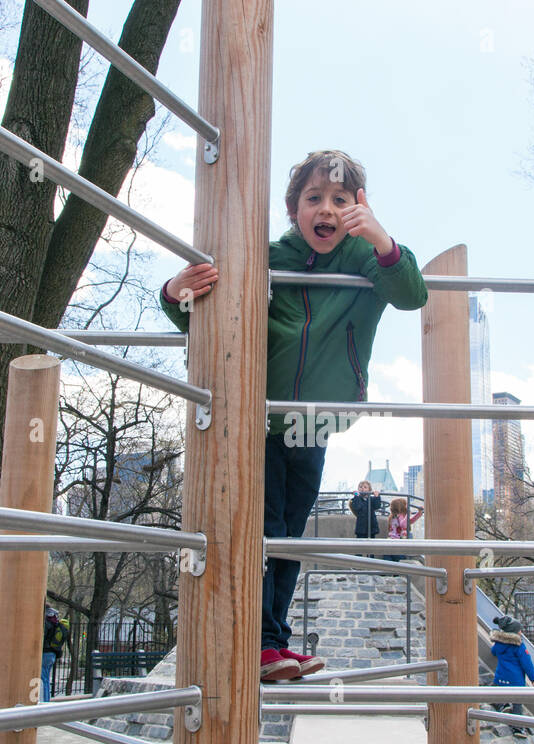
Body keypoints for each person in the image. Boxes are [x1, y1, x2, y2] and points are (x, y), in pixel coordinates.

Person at [160, 149, 428, 682]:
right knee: (266, 527)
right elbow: (199, 307)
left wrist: (379, 237)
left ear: (357, 207)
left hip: (316, 422)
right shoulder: (263, 256)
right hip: (257, 416)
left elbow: (412, 294)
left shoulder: (364, 258)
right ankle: (259, 643)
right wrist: (173, 293)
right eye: (314, 198)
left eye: (340, 200)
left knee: (291, 538)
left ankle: (273, 643)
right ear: (293, 208)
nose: (326, 209)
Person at [490, 615, 534, 737]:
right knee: (517, 703)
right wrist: (533, 678)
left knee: (492, 691)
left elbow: (493, 652)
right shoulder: (519, 646)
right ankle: (517, 728)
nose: (521, 632)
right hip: (516, 680)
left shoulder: (499, 644)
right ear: (515, 632)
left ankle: (502, 704)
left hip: (501, 677)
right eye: (519, 630)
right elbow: (527, 663)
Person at [42, 607, 70, 703]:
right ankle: (47, 700)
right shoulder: (56, 624)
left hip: (45, 653)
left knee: (42, 679)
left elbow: (43, 638)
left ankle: (44, 701)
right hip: (53, 654)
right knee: (46, 679)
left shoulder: (46, 623)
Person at [385, 497, 423, 562]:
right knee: (398, 558)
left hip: (391, 540)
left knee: (388, 558)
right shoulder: (398, 516)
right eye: (406, 505)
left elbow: (410, 521)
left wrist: (419, 514)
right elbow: (403, 524)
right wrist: (408, 514)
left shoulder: (394, 516)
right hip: (397, 541)